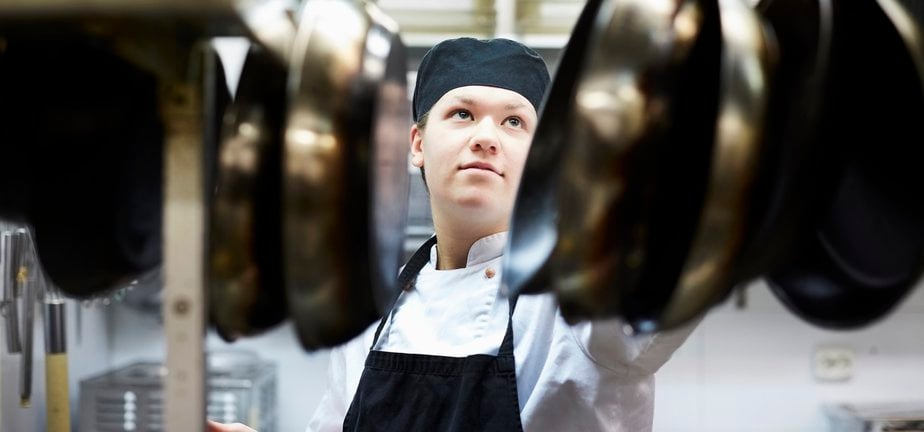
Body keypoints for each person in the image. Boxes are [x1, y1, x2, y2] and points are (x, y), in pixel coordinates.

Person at [303, 37, 698, 432]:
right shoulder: (370, 310)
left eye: (514, 122)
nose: (485, 137)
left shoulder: (581, 294)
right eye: (462, 114)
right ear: (418, 144)